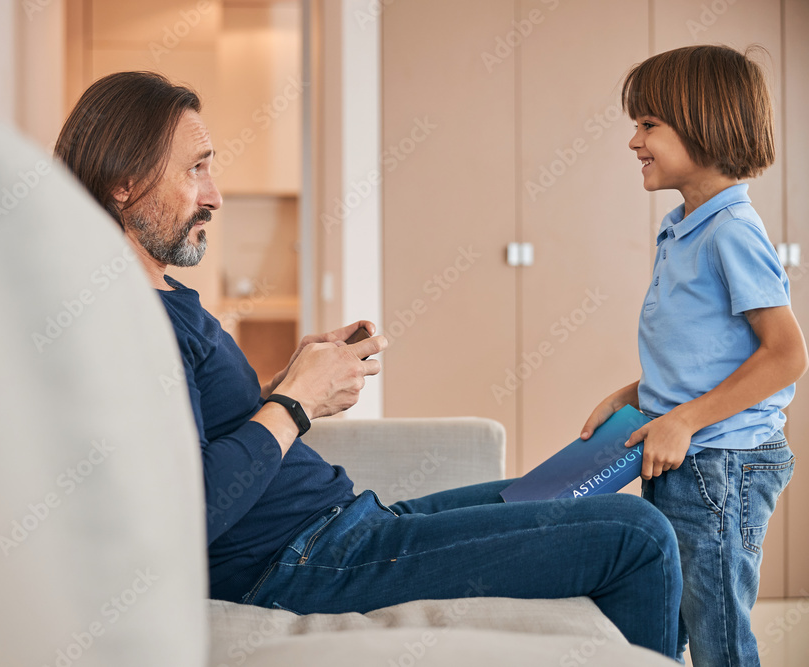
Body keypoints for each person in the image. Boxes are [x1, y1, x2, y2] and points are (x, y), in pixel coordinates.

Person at [54, 70, 683, 658]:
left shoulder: (160, 298)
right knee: (640, 537)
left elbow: (205, 428)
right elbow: (186, 506)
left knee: (537, 493)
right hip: (305, 559)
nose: (215, 196)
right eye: (196, 170)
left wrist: (296, 378)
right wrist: (295, 404)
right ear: (124, 182)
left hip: (340, 524)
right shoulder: (126, 321)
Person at [579, 45, 808, 667]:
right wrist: (632, 396)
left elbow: (786, 355)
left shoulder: (732, 230)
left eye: (649, 124)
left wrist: (682, 419)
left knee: (717, 631)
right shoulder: (686, 225)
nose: (634, 141)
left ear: (705, 126)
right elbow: (702, 356)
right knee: (670, 612)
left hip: (721, 463)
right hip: (685, 452)